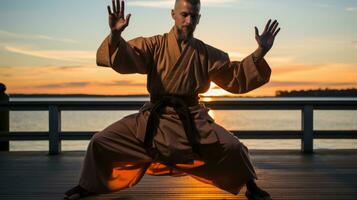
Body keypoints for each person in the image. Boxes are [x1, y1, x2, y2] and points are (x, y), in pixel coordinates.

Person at [64, 0, 280, 199]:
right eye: (184, 14)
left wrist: (260, 52)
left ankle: (251, 187)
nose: (189, 21)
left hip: (192, 120)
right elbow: (126, 56)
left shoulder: (207, 53)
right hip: (155, 119)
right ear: (173, 14)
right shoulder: (154, 45)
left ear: (199, 18)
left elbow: (236, 76)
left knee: (234, 148)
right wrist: (115, 36)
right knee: (101, 141)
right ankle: (87, 185)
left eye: (194, 16)